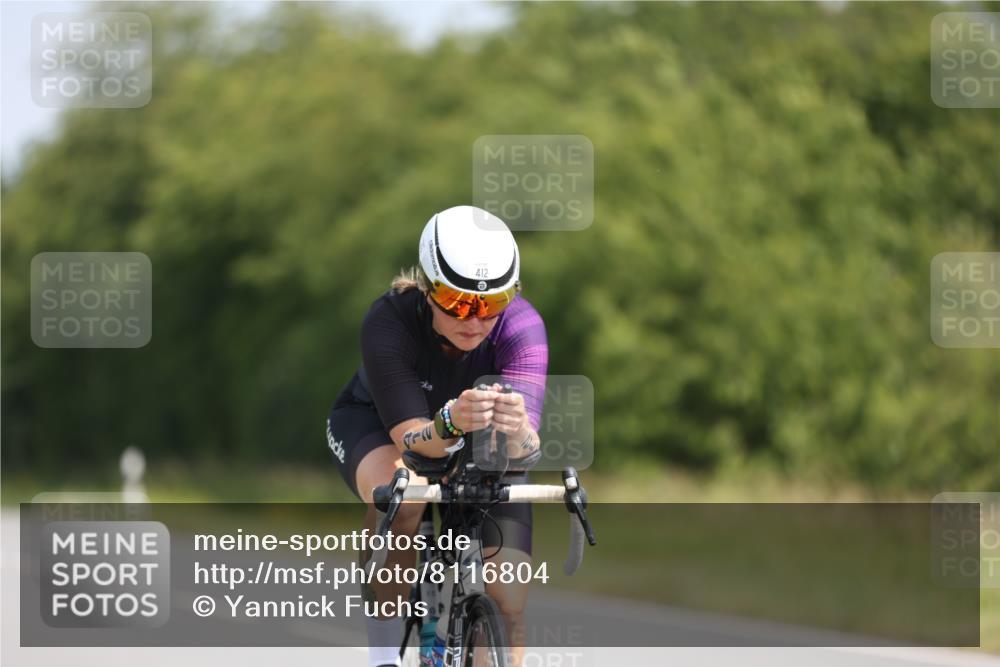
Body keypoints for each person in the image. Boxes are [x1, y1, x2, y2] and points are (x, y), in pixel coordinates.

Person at [326, 205, 548, 667]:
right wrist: (450, 422)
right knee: (404, 497)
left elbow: (527, 452)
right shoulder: (389, 320)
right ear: (428, 288)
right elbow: (412, 442)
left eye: (491, 304)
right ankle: (383, 655)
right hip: (380, 425)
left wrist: (518, 430)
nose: (474, 320)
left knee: (508, 599)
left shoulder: (522, 326)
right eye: (458, 301)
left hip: (478, 441)